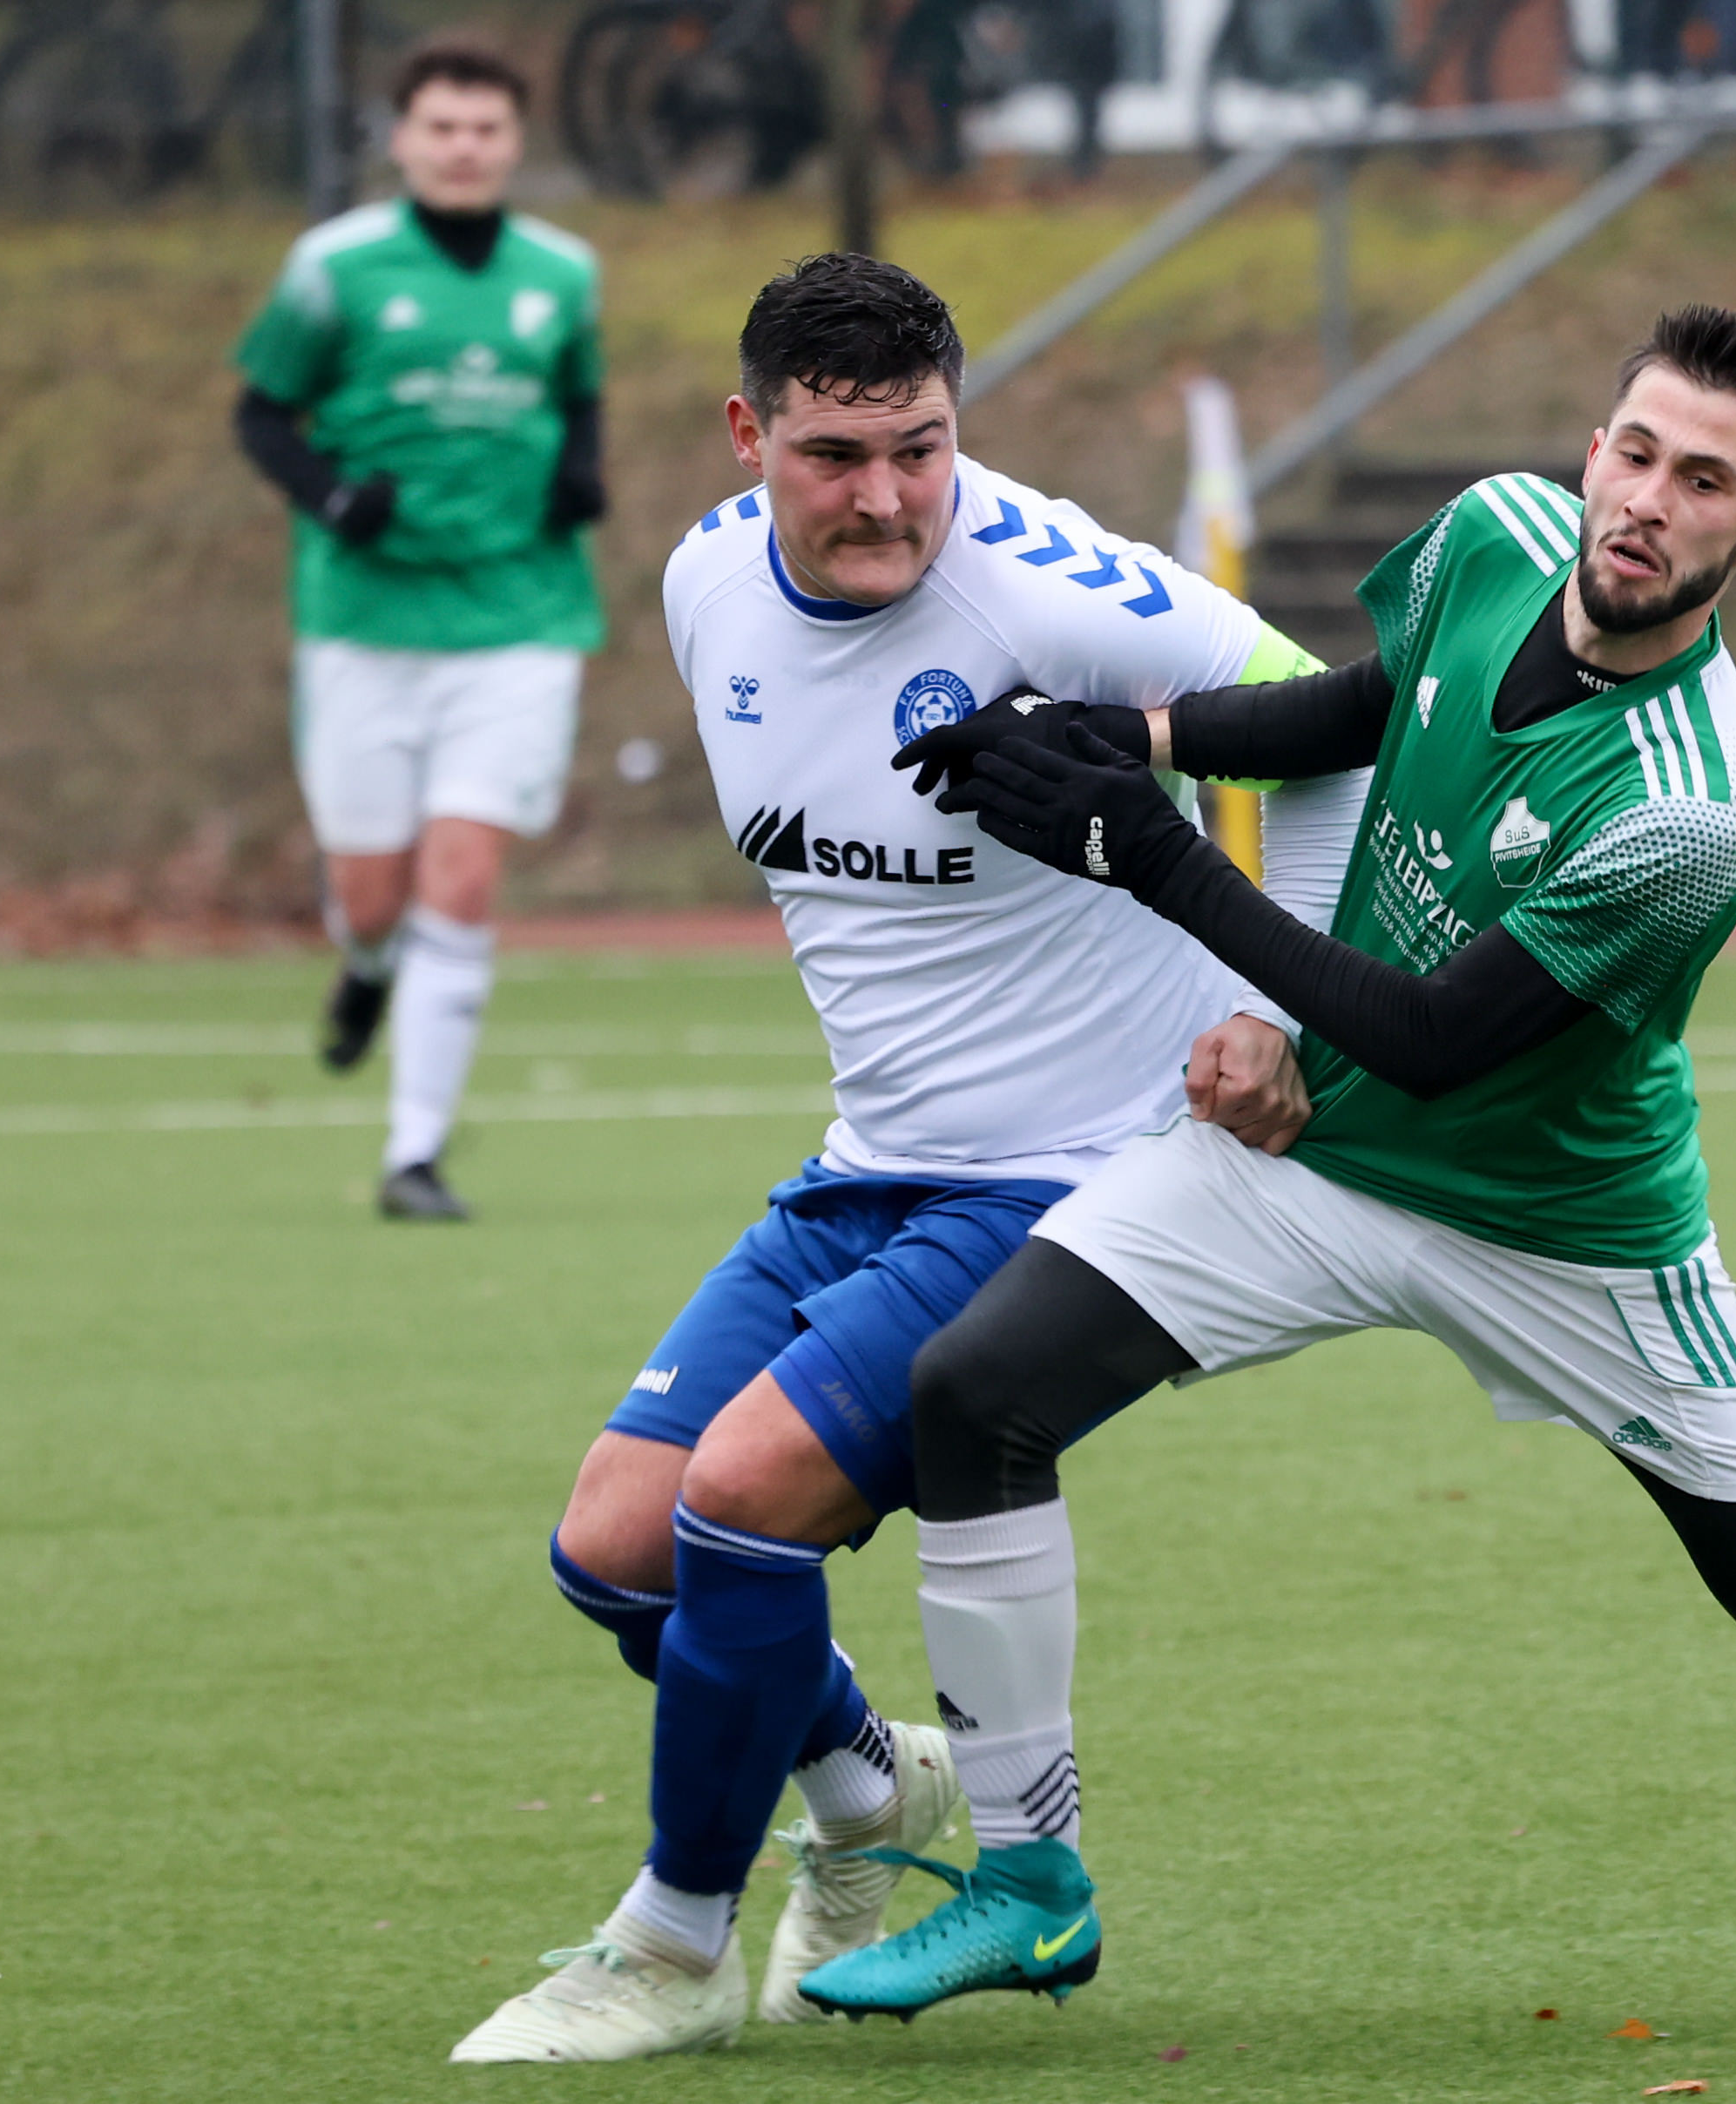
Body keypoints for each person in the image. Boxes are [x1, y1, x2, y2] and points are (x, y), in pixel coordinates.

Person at [797, 305, 1736, 2020]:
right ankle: (1034, 1888)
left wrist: (1150, 854)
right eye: (1636, 453)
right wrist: (1137, 739)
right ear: (1593, 451)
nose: (1649, 501)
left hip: (1571, 1232)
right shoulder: (1492, 536)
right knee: (975, 1393)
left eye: (1704, 481)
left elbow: (1434, 1034)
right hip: (1322, 1156)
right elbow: (1369, 704)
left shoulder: (1695, 799)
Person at [447, 254, 1363, 2063]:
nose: (884, 498)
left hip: (1080, 1177)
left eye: (920, 449)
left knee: (739, 1501)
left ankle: (671, 1947)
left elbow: (1337, 727)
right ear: (748, 437)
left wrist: (1283, 1014)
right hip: (871, 1162)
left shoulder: (1049, 589)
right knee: (616, 1550)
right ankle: (870, 1785)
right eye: (835, 455)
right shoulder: (707, 584)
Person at [231, 40, 607, 1221]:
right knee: (373, 892)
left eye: (486, 129)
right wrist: (333, 498)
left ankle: (415, 1155)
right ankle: (365, 963)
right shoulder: (332, 268)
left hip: (518, 614)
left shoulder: (565, 272)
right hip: (366, 621)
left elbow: (579, 394)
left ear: (515, 142)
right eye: (441, 127)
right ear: (400, 139)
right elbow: (261, 413)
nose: (463, 148)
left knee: (463, 875)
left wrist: (582, 471)